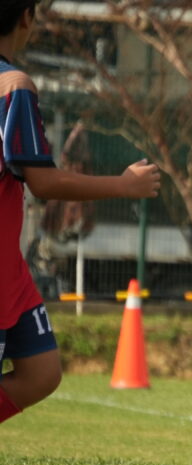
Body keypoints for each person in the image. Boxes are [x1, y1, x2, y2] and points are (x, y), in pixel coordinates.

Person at [0, 0, 161, 425]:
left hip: (10, 269)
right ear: (26, 18)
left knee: (41, 372)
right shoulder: (12, 85)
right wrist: (124, 185)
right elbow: (44, 182)